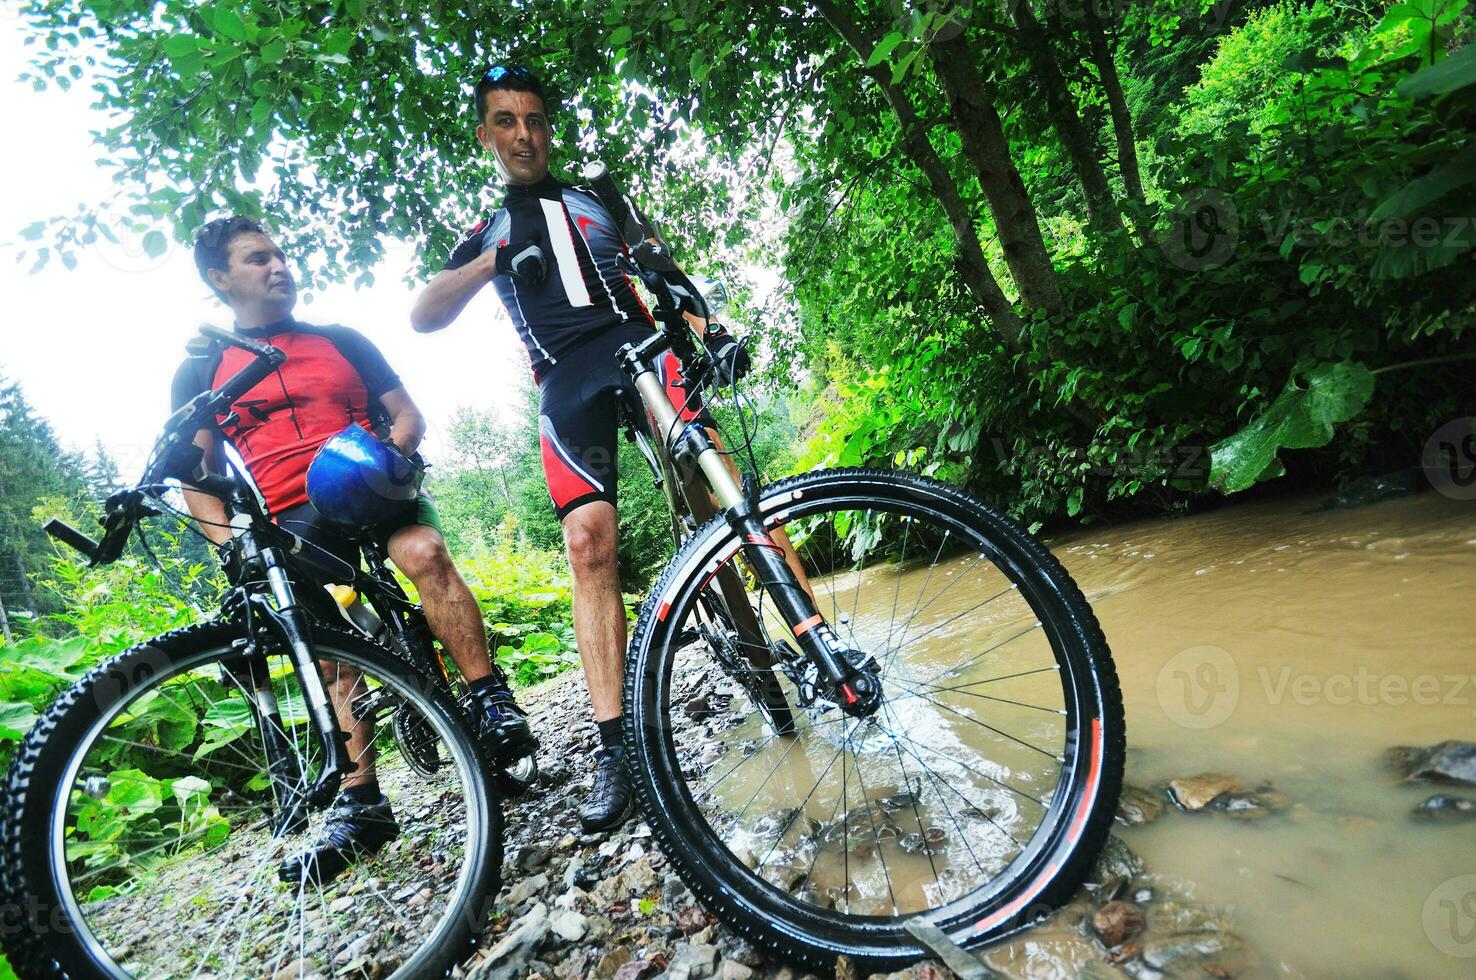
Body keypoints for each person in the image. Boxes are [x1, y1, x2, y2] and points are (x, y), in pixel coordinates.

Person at [410, 66, 805, 832]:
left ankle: (821, 649)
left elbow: (666, 273)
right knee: (588, 544)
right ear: (486, 135)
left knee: (723, 482)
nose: (524, 134)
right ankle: (616, 748)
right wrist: (496, 261)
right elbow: (425, 314)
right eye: (506, 121)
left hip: (640, 347)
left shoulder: (601, 196)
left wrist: (708, 333)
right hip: (564, 381)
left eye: (534, 118)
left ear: (546, 126)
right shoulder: (488, 228)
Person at [174, 215, 536, 884]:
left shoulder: (340, 340)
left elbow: (406, 414)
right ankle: (362, 805)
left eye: (280, 254)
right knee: (335, 659)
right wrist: (233, 549)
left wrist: (390, 456)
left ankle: (488, 698)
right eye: (257, 259)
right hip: (289, 519)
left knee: (425, 553)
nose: (277, 266)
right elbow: (195, 475)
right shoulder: (203, 366)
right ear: (221, 279)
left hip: (369, 485)